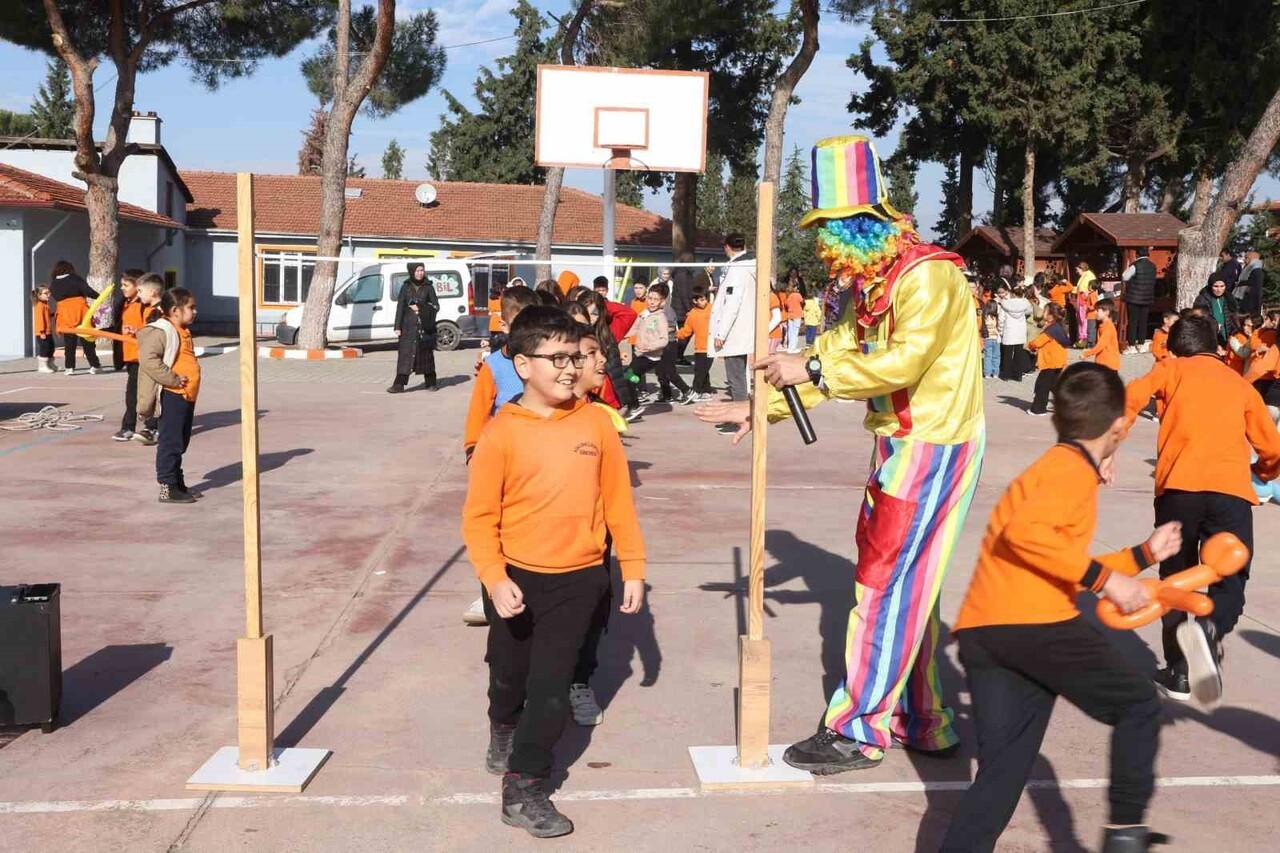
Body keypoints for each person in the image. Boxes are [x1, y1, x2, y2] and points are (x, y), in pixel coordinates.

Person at [698, 134, 984, 774]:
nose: (827, 240)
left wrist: (815, 368)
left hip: (933, 445)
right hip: (900, 444)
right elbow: (834, 348)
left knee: (882, 589)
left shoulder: (930, 275)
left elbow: (900, 360)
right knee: (912, 590)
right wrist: (760, 408)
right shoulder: (869, 281)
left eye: (835, 224)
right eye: (820, 225)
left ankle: (858, 729)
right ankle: (924, 718)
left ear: (873, 219)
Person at [939, 363, 1178, 853]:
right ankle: (1126, 836)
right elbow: (1027, 536)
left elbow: (1056, 557)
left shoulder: (1053, 468)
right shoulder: (1069, 470)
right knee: (1137, 704)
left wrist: (1142, 556)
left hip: (987, 632)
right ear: (1116, 429)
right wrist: (1108, 580)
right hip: (1035, 625)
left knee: (1001, 775)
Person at [462, 306, 645, 838]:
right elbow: (478, 518)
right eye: (557, 358)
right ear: (522, 364)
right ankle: (502, 723)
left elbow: (618, 504)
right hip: (514, 577)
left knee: (550, 686)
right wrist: (494, 578)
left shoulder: (596, 424)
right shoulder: (501, 433)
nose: (570, 368)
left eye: (578, 357)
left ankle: (525, 786)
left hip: (581, 577)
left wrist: (630, 566)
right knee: (509, 672)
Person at [1125, 314, 1280, 704]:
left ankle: (1178, 671)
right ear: (1215, 345)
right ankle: (1211, 628)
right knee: (1230, 577)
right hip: (1229, 493)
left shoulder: (1170, 368)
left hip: (1178, 490)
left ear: (1176, 347)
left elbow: (1130, 397)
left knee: (1175, 578)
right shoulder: (1239, 384)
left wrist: (1104, 446)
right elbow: (1272, 447)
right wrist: (1262, 471)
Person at [137, 288, 200, 504]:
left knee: (181, 441)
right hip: (172, 394)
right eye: (191, 307)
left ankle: (177, 481)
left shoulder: (182, 329)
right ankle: (167, 487)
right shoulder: (163, 330)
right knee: (170, 441)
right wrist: (173, 379)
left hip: (186, 396)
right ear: (175, 310)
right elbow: (148, 359)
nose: (195, 311)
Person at [708, 233, 756, 406]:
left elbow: (732, 304)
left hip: (734, 331)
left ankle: (740, 417)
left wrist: (721, 333)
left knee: (736, 378)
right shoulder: (751, 265)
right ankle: (742, 413)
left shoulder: (738, 269)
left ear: (727, 247)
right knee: (740, 377)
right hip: (744, 327)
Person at [388, 262, 439, 393]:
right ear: (411, 271)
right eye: (417, 270)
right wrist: (397, 326)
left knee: (426, 356)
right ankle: (399, 385)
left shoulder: (429, 287)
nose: (420, 273)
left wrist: (420, 307)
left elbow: (436, 306)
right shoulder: (405, 287)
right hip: (408, 327)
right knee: (405, 356)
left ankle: (431, 383)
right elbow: (400, 307)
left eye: (422, 270)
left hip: (424, 328)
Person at [112, 272, 150, 441]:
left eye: (126, 285)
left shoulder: (146, 306)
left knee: (147, 394)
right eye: (122, 285)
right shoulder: (124, 304)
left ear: (138, 286)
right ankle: (129, 427)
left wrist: (137, 332)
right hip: (131, 357)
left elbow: (153, 330)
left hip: (145, 357)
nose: (122, 288)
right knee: (131, 394)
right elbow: (118, 328)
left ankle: (150, 427)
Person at [49, 260, 102, 375]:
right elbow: (88, 291)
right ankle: (95, 365)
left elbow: (55, 296)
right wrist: (99, 297)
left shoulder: (53, 283)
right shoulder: (75, 279)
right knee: (87, 341)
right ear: (70, 269)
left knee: (69, 343)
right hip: (81, 311)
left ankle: (69, 367)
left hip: (64, 314)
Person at [130, 276, 165, 446]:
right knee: (151, 395)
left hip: (158, 362)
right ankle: (151, 427)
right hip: (153, 359)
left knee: (155, 394)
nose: (138, 295)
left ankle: (152, 429)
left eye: (140, 291)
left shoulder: (160, 311)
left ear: (152, 292)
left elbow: (156, 337)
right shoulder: (153, 310)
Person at [1026, 303, 1070, 416]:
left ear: (1051, 315)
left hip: (1050, 362)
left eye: (1045, 311)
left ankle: (1038, 409)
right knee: (1054, 385)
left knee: (1042, 385)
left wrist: (1030, 345)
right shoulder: (1059, 326)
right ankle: (1066, 404)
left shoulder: (1052, 328)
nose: (1043, 313)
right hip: (1058, 361)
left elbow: (1038, 342)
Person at [676, 284, 714, 399]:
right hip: (699, 347)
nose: (705, 301)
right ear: (695, 301)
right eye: (701, 300)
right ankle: (706, 390)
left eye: (705, 299)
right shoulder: (692, 314)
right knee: (701, 369)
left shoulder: (712, 309)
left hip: (711, 346)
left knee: (700, 370)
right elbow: (687, 331)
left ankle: (696, 390)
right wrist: (675, 335)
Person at [1121, 248, 1157, 353]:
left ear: (1137, 255)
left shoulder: (1135, 265)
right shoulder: (1153, 266)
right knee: (1143, 321)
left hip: (1134, 298)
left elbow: (1125, 277)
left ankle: (1131, 345)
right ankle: (1141, 345)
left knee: (1133, 322)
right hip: (1147, 298)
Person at [1193, 273, 1239, 345]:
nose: (1219, 289)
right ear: (1210, 286)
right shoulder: (1202, 299)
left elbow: (1234, 316)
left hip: (1227, 335)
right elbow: (1200, 318)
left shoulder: (1229, 298)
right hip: (1210, 335)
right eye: (1216, 286)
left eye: (1222, 286)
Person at [997, 285, 1031, 381]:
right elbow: (1029, 312)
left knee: (1007, 354)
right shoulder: (1025, 304)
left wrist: (1000, 330)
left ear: (1012, 293)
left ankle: (1006, 375)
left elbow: (1001, 319)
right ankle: (1018, 375)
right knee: (1018, 353)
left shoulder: (1006, 304)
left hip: (1009, 330)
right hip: (1020, 330)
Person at [1082, 301, 1121, 370]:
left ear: (1106, 312)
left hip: (1108, 364)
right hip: (1104, 362)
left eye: (1097, 310)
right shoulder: (1103, 325)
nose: (1095, 313)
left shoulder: (1108, 327)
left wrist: (1087, 353)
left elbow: (1101, 345)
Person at [32, 285, 55, 373]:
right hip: (42, 332)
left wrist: (53, 314)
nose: (48, 295)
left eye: (49, 293)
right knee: (44, 348)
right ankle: (42, 366)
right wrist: (42, 332)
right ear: (39, 295)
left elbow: (47, 316)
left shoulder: (45, 304)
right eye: (46, 293)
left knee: (51, 348)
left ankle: (50, 364)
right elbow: (39, 319)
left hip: (48, 331)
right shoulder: (39, 305)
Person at [1073, 261, 1097, 345]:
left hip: (1085, 300)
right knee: (1081, 319)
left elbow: (1091, 287)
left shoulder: (1089, 276)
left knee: (1084, 320)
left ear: (1082, 268)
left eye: (1078, 269)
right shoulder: (1084, 275)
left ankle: (1084, 338)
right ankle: (1081, 338)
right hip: (1081, 299)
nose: (1077, 272)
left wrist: (1086, 295)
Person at [1236, 250, 1265, 315]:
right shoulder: (1249, 270)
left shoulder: (1256, 271)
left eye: (1246, 258)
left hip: (1250, 305)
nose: (1244, 260)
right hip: (1245, 303)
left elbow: (1256, 290)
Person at [784, 269, 805, 353]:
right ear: (796, 287)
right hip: (797, 314)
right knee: (795, 331)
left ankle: (789, 346)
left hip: (790, 314)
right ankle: (793, 347)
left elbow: (786, 304)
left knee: (790, 331)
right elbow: (802, 302)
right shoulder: (798, 295)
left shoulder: (789, 296)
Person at [981, 300, 1001, 379]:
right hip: (996, 338)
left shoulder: (984, 316)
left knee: (987, 356)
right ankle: (995, 372)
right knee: (996, 356)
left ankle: (987, 373)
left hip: (987, 338)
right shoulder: (996, 317)